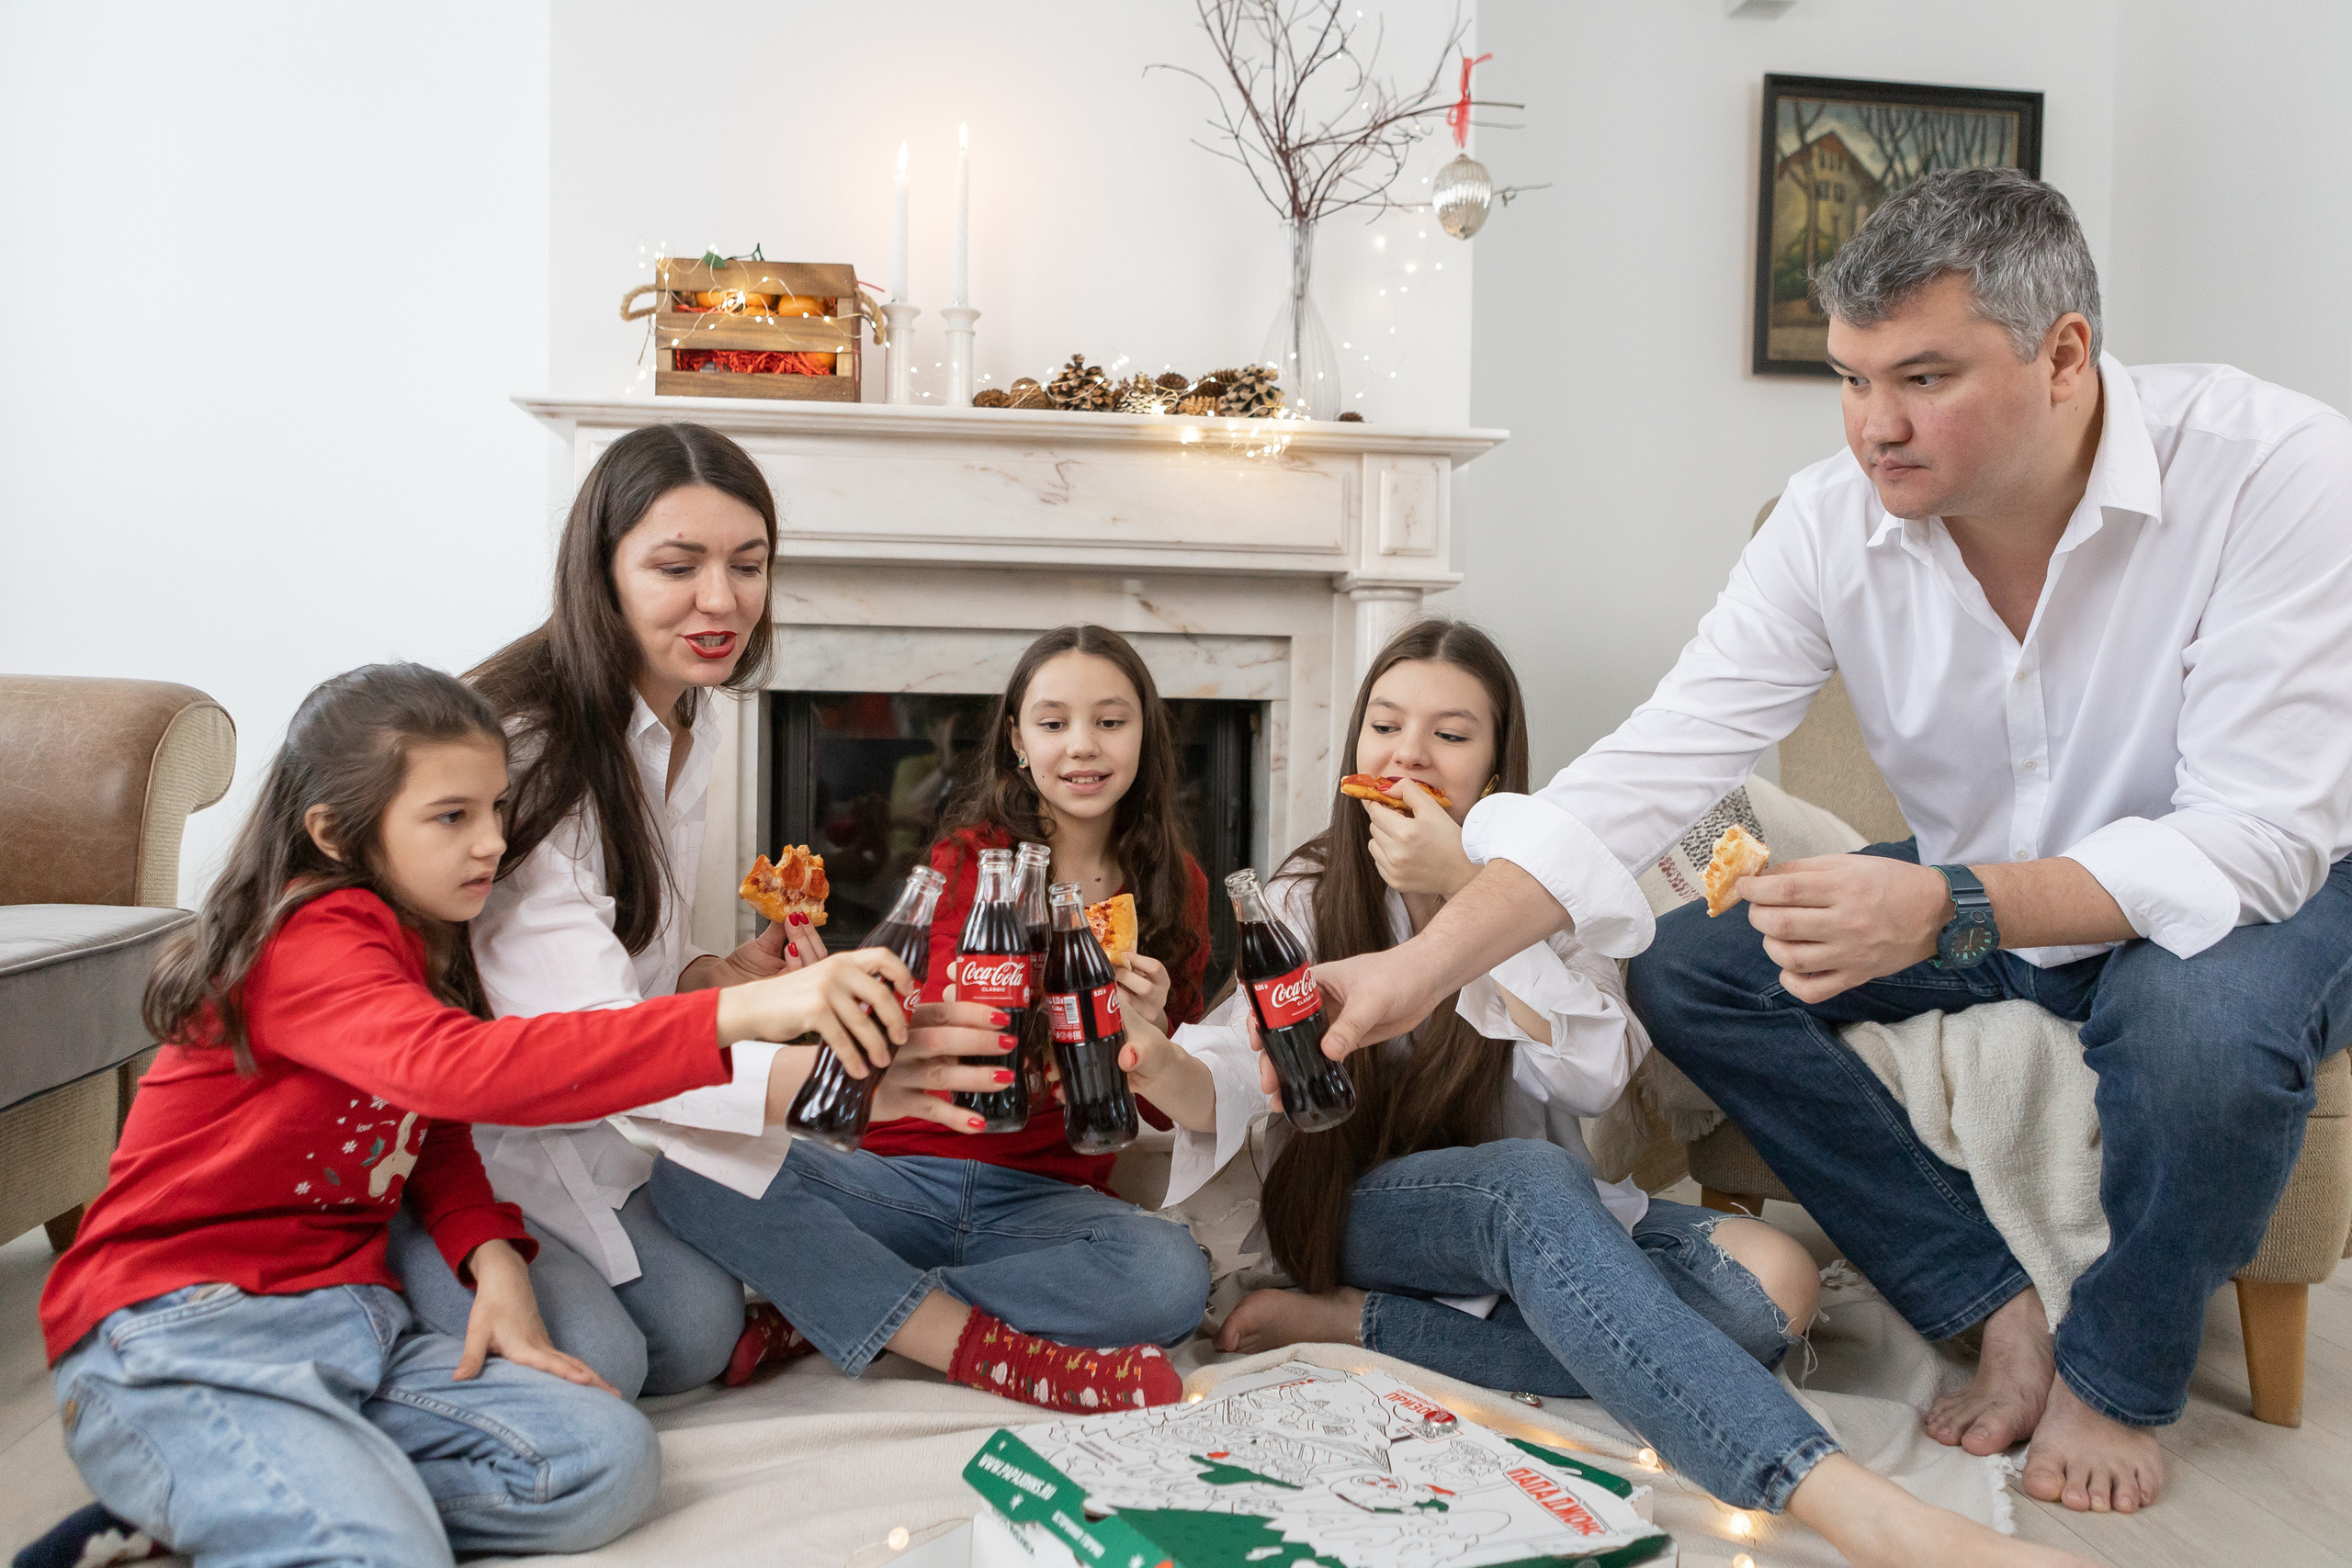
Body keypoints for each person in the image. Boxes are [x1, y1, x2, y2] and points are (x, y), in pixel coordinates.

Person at [1300, 167, 2352, 1527]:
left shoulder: (2277, 469)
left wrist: (1949, 907)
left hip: (2246, 885)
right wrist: (1422, 966)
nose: (1875, 427)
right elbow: (1656, 763)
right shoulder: (1829, 521)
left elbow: (2257, 835)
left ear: (2066, 354)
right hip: (1979, 869)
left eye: (1920, 378)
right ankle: (1992, 1300)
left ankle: (2121, 1370)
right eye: (1852, 380)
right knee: (1692, 969)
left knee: (2200, 1037)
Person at [1144, 620, 2071, 1568]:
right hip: (1365, 1212)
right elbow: (1219, 1082)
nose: (1407, 755)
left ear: (1498, 779)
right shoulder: (1301, 898)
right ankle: (1846, 1503)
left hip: (1537, 1216)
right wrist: (1145, 1054)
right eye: (1384, 726)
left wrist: (1471, 893)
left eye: (1450, 736)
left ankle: (1361, 1322)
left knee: (1774, 1292)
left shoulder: (1562, 898)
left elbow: (1591, 1076)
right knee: (1527, 1180)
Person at [36, 663, 928, 1567]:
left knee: (606, 1461)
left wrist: (488, 1253)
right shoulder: (311, 937)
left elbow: (425, 1127)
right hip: (184, 1332)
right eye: (452, 817)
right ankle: (274, 1505)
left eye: (496, 809)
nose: (492, 843)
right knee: (382, 1553)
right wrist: (740, 1013)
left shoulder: (409, 940)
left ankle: (241, 1508)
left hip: (350, 1328)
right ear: (335, 834)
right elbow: (462, 1074)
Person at [390, 422, 1004, 1400]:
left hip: (602, 1124)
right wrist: (837, 1088)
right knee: (620, 1362)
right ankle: (381, 1314)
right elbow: (589, 1043)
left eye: (748, 565)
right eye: (678, 566)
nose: (722, 601)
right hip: (462, 1128)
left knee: (694, 1334)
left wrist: (713, 977)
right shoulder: (527, 748)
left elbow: (622, 967)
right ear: (602, 572)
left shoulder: (689, 713)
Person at [654, 624, 1216, 1411]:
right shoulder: (967, 861)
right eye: (1054, 723)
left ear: (1145, 735)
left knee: (1171, 1277)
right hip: (895, 1177)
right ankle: (983, 1343)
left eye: (1111, 721)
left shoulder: (1176, 889)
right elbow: (930, 1039)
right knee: (687, 1165)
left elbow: (1148, 1113)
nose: (1082, 746)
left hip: (1039, 1207)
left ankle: (839, 1310)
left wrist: (1144, 1041)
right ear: (1019, 740)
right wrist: (840, 1002)